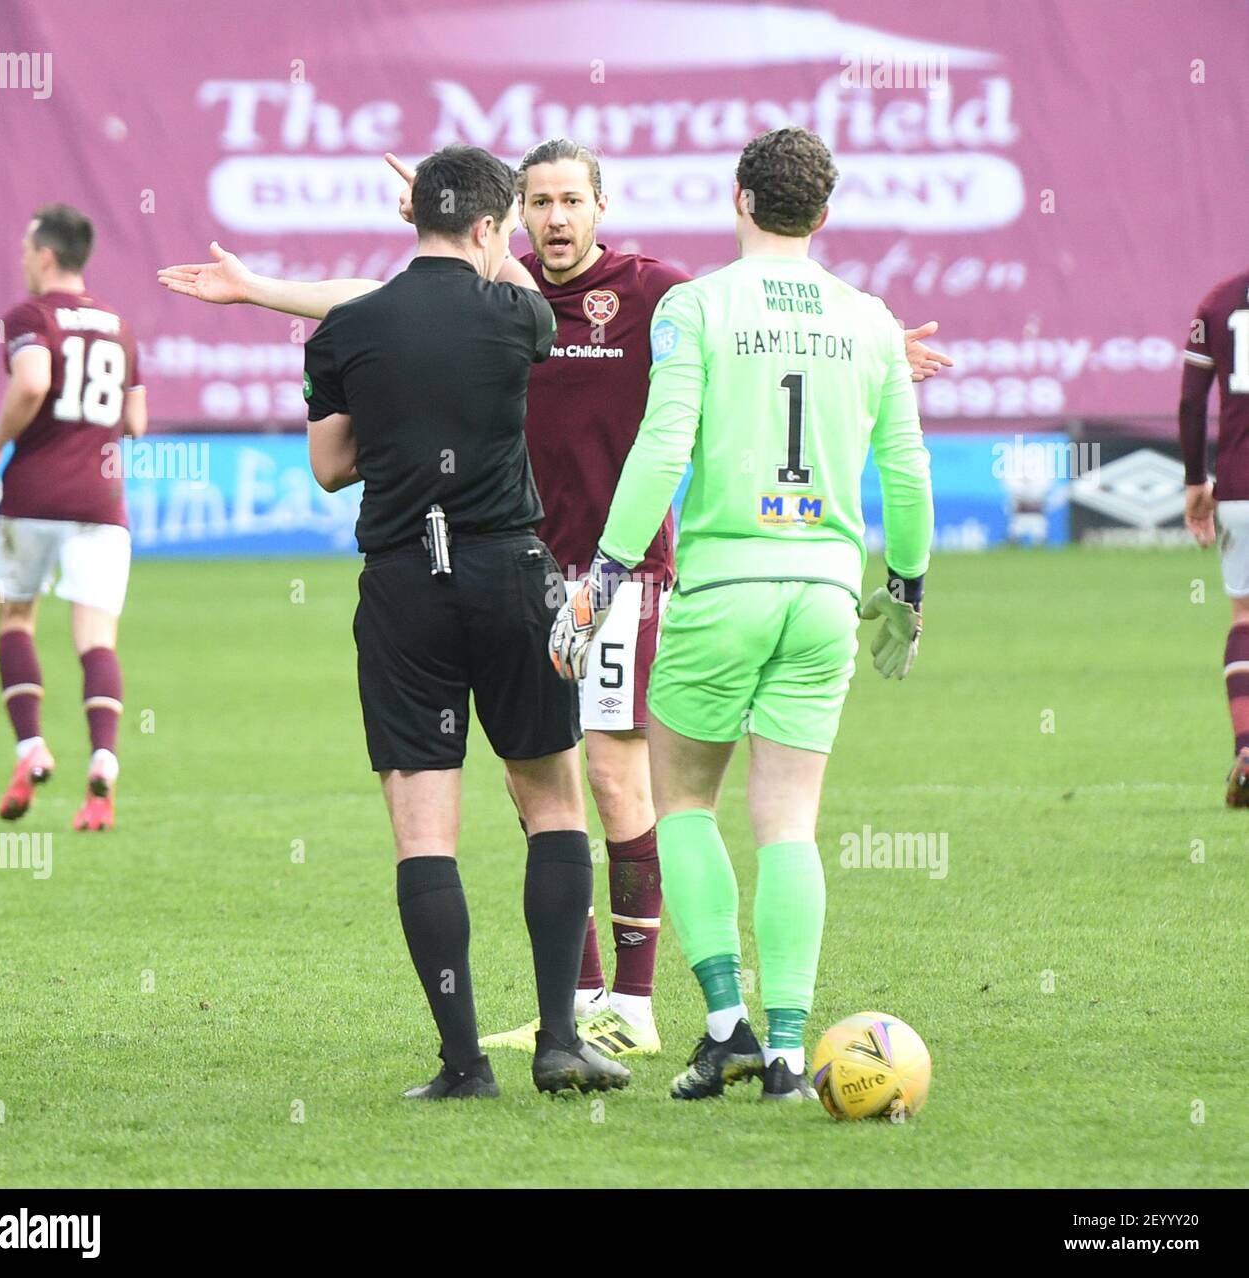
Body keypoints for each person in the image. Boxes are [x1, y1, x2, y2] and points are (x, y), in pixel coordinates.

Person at [157, 138, 950, 1061]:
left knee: (612, 777)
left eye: (572, 199)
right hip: (531, 569)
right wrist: (262, 289)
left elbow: (763, 327)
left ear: (602, 206)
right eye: (538, 202)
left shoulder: (654, 290)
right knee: (538, 780)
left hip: (619, 572)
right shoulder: (509, 295)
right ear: (514, 217)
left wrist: (877, 345)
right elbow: (391, 298)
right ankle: (573, 1003)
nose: (558, 218)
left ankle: (637, 1002)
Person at [169, 143, 628, 1099]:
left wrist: (401, 426)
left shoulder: (346, 332)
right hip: (513, 572)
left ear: (411, 219)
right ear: (493, 225)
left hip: (404, 584)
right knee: (551, 805)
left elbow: (331, 467)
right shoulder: (518, 312)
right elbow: (498, 282)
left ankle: (464, 1064)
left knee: (426, 834)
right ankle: (556, 1040)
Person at [549, 127, 935, 1102]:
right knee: (789, 824)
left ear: (738, 198)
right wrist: (908, 591)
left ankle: (723, 1026)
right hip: (820, 600)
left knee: (681, 804)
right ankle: (789, 1053)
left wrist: (604, 568)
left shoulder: (698, 306)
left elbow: (662, 446)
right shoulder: (870, 320)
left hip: (720, 591)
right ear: (825, 213)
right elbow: (906, 470)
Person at [0, 204, 146, 831]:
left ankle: (32, 748)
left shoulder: (30, 317)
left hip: (34, 497)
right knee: (96, 639)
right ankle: (102, 764)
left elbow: (30, 383)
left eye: (26, 248)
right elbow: (135, 423)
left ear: (46, 256)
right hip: (102, 504)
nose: (22, 258)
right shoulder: (119, 326)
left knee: (15, 617)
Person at [1179, 265, 1249, 806]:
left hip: (1240, 488)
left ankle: (1247, 748)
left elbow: (1190, 403)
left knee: (1245, 619)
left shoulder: (1219, 301)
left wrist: (1195, 481)